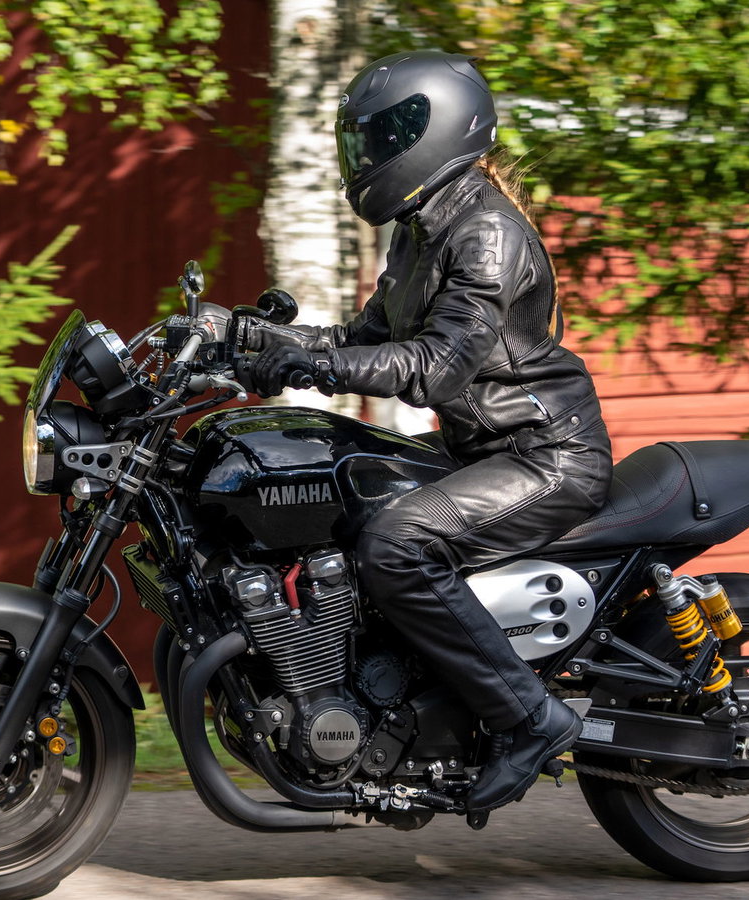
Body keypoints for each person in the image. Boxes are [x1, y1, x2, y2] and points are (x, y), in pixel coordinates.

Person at [247, 50, 614, 813]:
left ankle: (529, 718)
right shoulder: (423, 226)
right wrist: (258, 343)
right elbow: (364, 335)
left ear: (432, 127)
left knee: (397, 543)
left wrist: (315, 368)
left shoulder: (487, 234)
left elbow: (438, 368)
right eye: (360, 142)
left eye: (379, 138)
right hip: (478, 450)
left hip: (544, 456)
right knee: (347, 511)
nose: (366, 156)